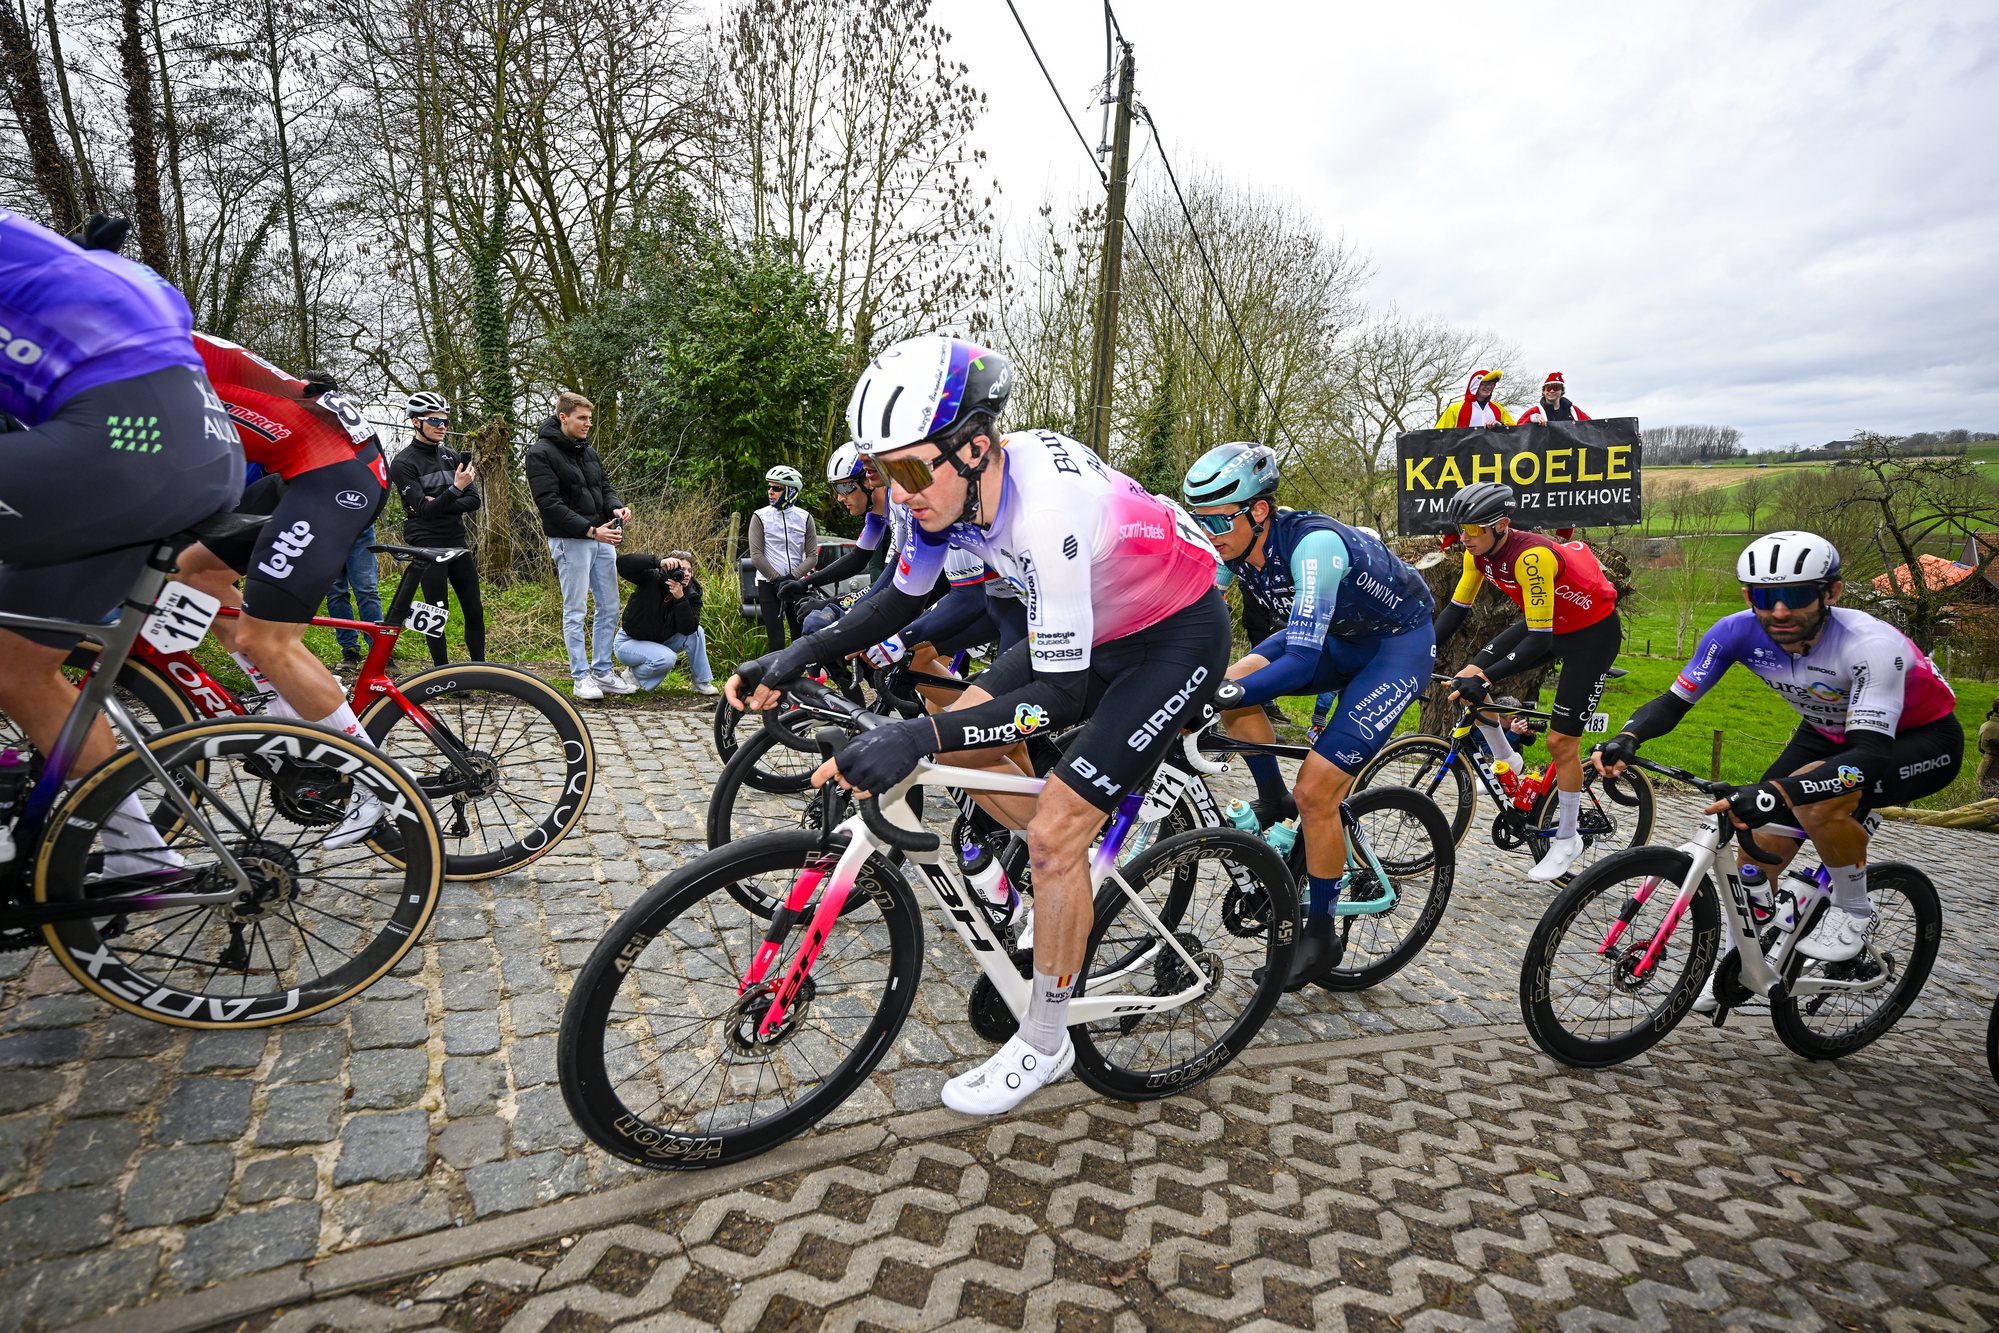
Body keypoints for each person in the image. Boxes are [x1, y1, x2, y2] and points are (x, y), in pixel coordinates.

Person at [728, 334, 1227, 1117]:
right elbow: (897, 599)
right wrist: (793, 656)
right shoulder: (944, 489)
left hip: (1174, 636)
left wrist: (913, 740)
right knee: (961, 729)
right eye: (883, 472)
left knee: (1050, 828)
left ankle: (1047, 1036)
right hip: (1092, 624)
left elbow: (1059, 695)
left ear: (974, 447)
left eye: (906, 472)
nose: (897, 494)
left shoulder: (1047, 513)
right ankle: (1071, 872)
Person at [1596, 532, 1962, 1004]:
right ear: (1749, 596)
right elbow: (1672, 703)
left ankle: (1853, 910)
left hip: (1915, 739)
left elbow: (1869, 756)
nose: (1782, 611)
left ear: (1831, 592)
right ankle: (1743, 963)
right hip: (1825, 731)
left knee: (1818, 802)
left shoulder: (1871, 644)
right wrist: (1628, 737)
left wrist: (1783, 792)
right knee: (1752, 846)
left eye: (1798, 595)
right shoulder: (1733, 632)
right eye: (1767, 598)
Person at [0, 209, 243, 874]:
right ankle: (138, 854)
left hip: (126, 443)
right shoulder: (94, 275)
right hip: (196, 448)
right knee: (16, 665)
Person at [1181, 442, 1437, 990]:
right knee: (1234, 680)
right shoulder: (1229, 547)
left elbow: (1299, 661)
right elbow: (1195, 620)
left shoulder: (1314, 546)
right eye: (1199, 521)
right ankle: (1275, 800)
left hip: (1394, 650)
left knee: (1317, 791)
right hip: (1337, 639)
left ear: (1259, 511)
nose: (1209, 533)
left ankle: (1320, 933)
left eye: (1218, 520)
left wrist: (1215, 697)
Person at [173, 332, 393, 843]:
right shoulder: (154, 347)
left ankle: (374, 782)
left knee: (266, 639)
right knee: (195, 573)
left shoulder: (141, 368)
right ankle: (284, 700)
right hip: (303, 468)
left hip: (334, 475)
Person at [1431, 481, 1621, 882]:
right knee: (1465, 678)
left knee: (1561, 743)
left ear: (1501, 525)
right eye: (1460, 529)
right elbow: (1455, 612)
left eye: (1473, 529)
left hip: (1591, 636)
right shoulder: (1476, 555)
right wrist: (1418, 653)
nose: (1465, 537)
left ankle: (1567, 838)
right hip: (1549, 624)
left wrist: (1487, 676)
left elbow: (1539, 641)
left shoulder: (1531, 558)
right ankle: (1508, 758)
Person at [526, 392, 633, 701]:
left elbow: (605, 487)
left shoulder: (588, 452)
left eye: (590, 418)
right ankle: (580, 677)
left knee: (609, 606)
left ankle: (602, 672)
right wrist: (590, 531)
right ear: (563, 417)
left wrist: (615, 507)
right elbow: (549, 503)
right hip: (571, 540)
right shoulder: (540, 453)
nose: (588, 423)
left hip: (602, 536)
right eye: (582, 418)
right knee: (576, 610)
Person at [388, 390, 485, 666]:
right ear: (415, 422)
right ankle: (441, 674)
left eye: (445, 421)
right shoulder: (403, 463)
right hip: (427, 543)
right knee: (436, 612)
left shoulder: (452, 456)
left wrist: (440, 500)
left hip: (456, 539)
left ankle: (481, 671)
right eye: (434, 420)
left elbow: (474, 501)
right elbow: (425, 511)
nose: (442, 426)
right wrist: (455, 490)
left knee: (474, 610)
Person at [612, 550, 717, 694]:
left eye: (689, 570)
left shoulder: (692, 593)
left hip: (660, 641)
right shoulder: (651, 577)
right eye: (682, 569)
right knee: (667, 658)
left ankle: (701, 682)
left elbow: (688, 629)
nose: (686, 574)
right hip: (629, 642)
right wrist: (658, 562)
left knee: (697, 631)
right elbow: (622, 563)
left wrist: (680, 599)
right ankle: (633, 676)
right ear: (670, 569)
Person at [748, 465, 817, 652]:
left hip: (796, 583)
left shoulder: (805, 517)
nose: (770, 492)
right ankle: (776, 671)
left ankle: (801, 669)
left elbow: (812, 556)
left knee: (799, 635)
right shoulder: (759, 516)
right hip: (769, 584)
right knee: (776, 639)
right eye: (769, 487)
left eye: (777, 488)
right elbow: (756, 555)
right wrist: (776, 579)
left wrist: (792, 577)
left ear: (791, 491)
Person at [1435, 369, 1515, 429]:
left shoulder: (1498, 409)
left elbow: (1515, 431)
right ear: (1475, 385)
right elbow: (1437, 435)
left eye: (1492, 384)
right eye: (1485, 384)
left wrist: (1501, 426)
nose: (1489, 387)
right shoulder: (1455, 408)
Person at [1515, 371, 1591, 425]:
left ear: (1562, 391)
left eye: (1556, 388)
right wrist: (1530, 419)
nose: (1551, 391)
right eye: (1548, 388)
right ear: (1543, 391)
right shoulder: (1535, 411)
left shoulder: (1574, 410)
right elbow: (1517, 429)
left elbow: (1592, 426)